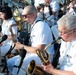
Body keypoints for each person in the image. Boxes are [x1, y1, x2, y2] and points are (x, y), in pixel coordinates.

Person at [7, 5, 54, 75]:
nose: (23, 18)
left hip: (44, 58)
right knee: (10, 62)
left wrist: (21, 46)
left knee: (18, 63)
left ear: (33, 14)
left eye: (25, 16)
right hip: (35, 54)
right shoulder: (34, 25)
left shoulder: (41, 26)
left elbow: (39, 50)